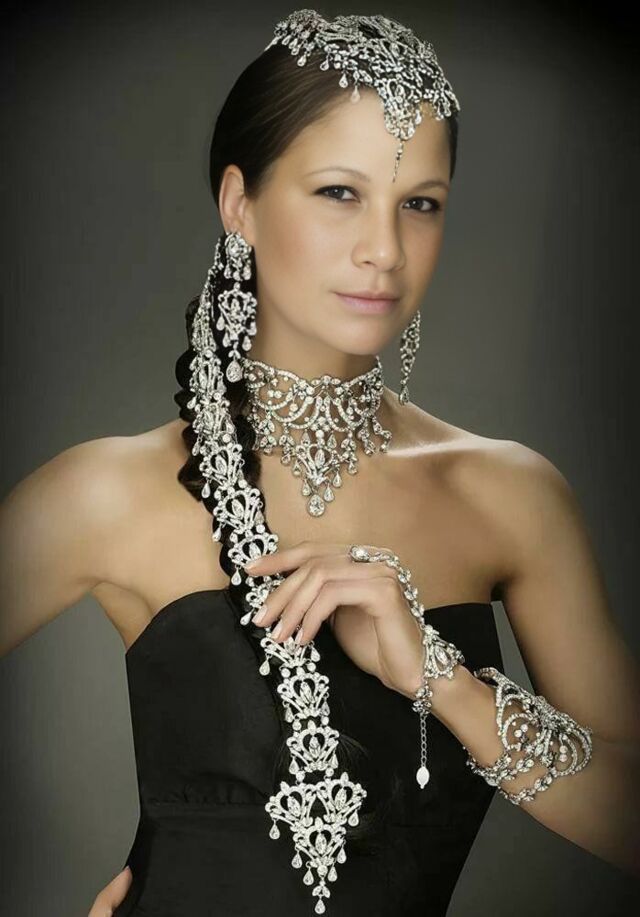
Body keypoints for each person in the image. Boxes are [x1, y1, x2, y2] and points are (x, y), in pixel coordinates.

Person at [1, 10, 638, 917]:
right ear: (240, 204)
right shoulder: (106, 493)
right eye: (340, 192)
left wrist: (443, 681)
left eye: (420, 203)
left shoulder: (510, 493)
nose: (385, 249)